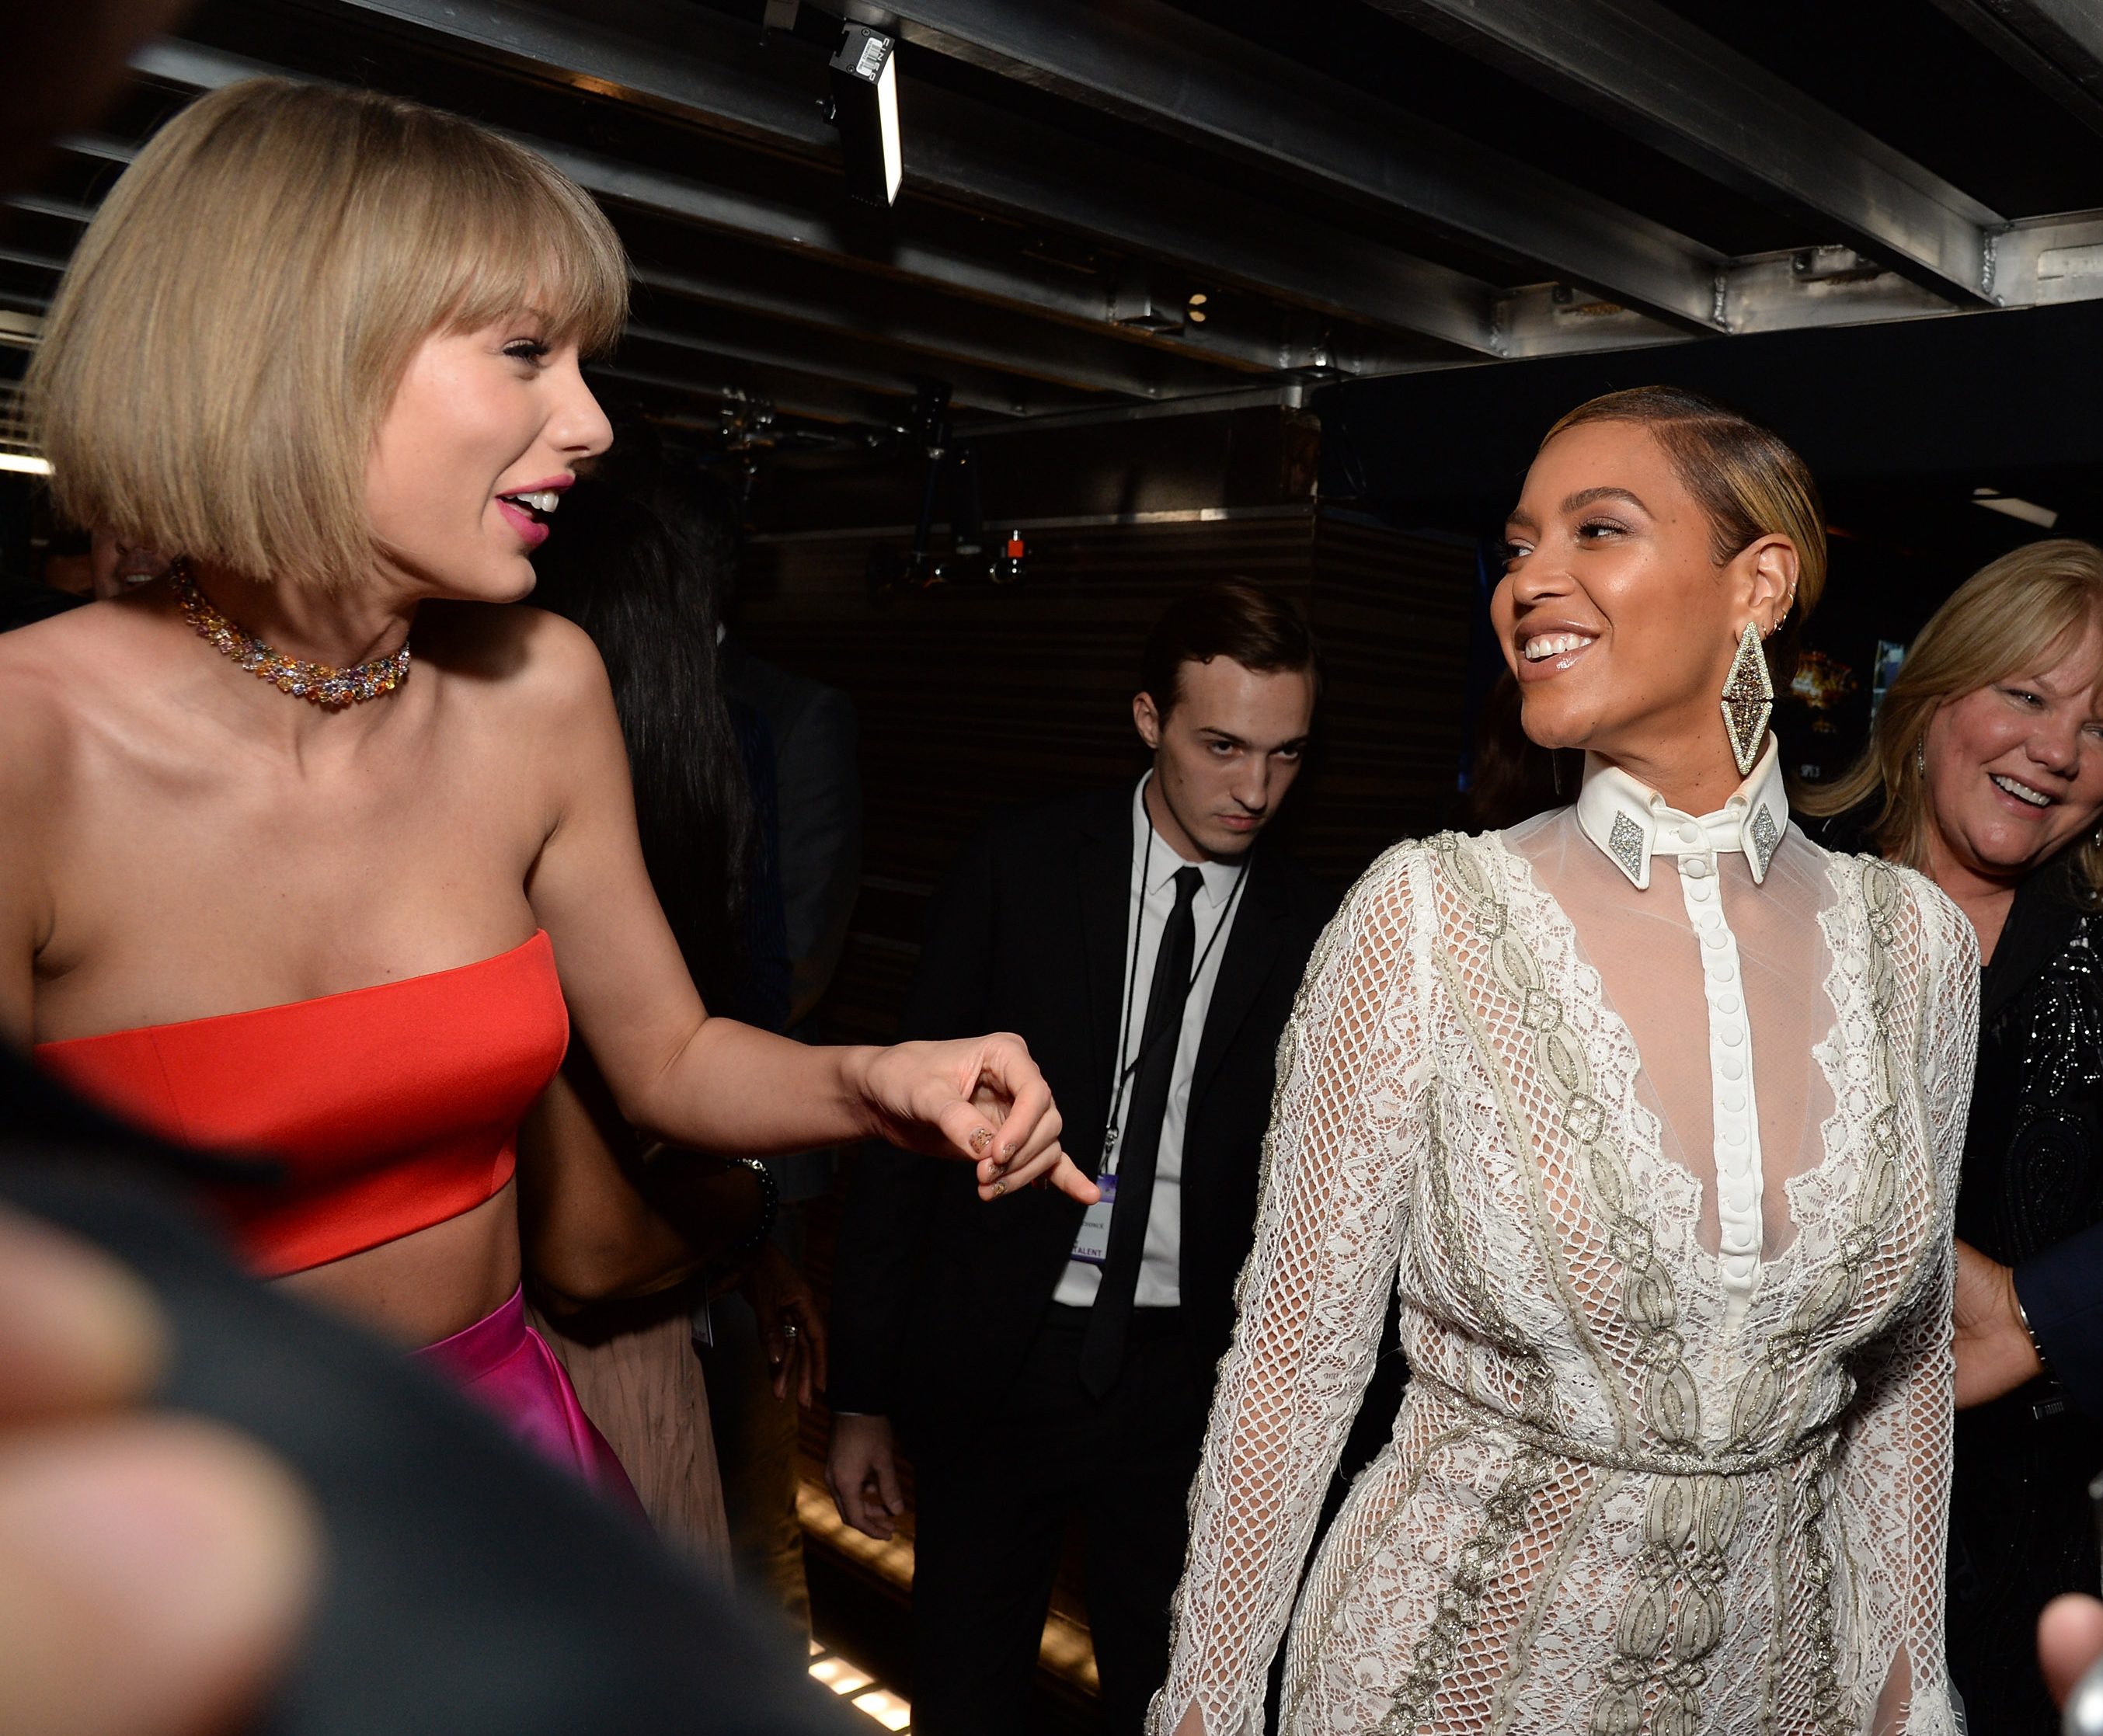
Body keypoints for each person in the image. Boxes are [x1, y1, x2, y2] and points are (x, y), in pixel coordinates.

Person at [2, 78, 1088, 1493]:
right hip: (163, 1519)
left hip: (499, 1464)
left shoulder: (543, 688)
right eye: (525, 352)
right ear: (303, 356)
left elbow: (675, 1062)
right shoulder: (29, 745)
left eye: (583, 363)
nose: (590, 423)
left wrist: (880, 1083)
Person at [1151, 387, 1976, 1736]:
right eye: (1522, 541)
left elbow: (1904, 1376)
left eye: (1598, 530)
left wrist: (1911, 1684)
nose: (1532, 580)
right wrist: (1209, 1704)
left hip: (1783, 1691)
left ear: (1758, 583)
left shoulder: (1916, 954)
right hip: (1440, 1683)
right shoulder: (1426, 917)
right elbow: (1292, 1368)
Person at [826, 581, 1336, 1734]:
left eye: (1285, 755)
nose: (1254, 790)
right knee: (962, 1693)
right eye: (1221, 746)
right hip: (1001, 1353)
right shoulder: (1019, 864)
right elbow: (900, 1148)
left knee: (1173, 1701)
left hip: (1188, 1385)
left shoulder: (1320, 924)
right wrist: (861, 1395)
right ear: (1149, 719)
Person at [1802, 538, 2103, 1732]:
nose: (2057, 750)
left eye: (2100, 725)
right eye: (2024, 694)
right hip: (1774, 1535)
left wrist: (2035, 1317)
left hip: (2017, 1563)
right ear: (1925, 699)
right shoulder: (1777, 919)